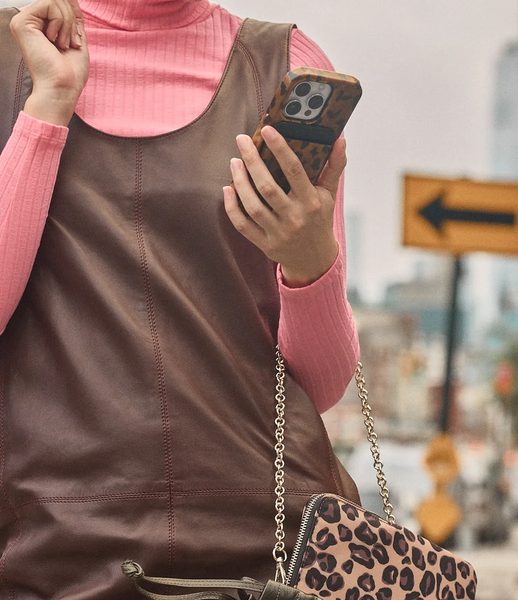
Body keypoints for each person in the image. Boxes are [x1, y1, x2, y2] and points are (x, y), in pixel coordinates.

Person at [0, 0, 361, 596]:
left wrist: (308, 259)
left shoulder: (283, 64)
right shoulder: (12, 56)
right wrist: (48, 108)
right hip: (47, 546)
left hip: (264, 548)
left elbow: (317, 388)